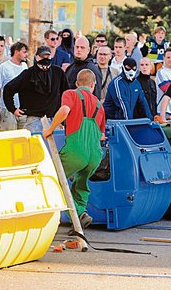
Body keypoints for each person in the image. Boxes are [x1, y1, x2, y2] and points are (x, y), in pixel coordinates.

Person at [43, 69, 105, 228]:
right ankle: (79, 219)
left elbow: (64, 111)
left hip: (76, 151)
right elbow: (101, 135)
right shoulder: (99, 104)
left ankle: (76, 213)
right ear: (93, 85)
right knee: (81, 185)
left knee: (54, 180)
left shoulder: (71, 94)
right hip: (95, 155)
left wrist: (50, 129)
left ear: (77, 84)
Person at [3, 46, 69, 132]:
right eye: (42, 57)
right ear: (37, 57)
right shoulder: (28, 74)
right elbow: (8, 89)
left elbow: (67, 93)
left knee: (55, 145)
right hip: (33, 120)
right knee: (32, 145)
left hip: (54, 119)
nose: (45, 59)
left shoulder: (58, 72)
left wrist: (63, 118)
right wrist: (13, 109)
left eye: (47, 57)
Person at [0, 42, 29, 131]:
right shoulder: (4, 67)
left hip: (22, 109)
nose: (26, 55)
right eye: (24, 52)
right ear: (16, 51)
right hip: (8, 109)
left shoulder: (25, 66)